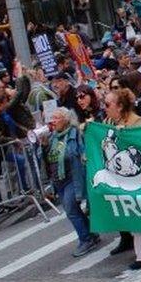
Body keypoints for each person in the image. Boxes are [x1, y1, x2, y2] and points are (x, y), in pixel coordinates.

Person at [103, 87, 141, 270]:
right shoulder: (107, 121)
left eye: (108, 104)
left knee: (137, 211)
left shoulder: (136, 121)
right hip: (119, 176)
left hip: (136, 176)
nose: (104, 108)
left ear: (120, 106)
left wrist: (125, 134)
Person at [43, 107, 99, 257]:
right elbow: (47, 160)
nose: (52, 121)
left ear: (66, 120)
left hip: (73, 178)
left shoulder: (76, 134)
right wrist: (43, 146)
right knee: (73, 210)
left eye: (56, 118)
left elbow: (81, 153)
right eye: (52, 118)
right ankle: (92, 234)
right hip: (58, 180)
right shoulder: (53, 137)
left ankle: (85, 239)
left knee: (71, 210)